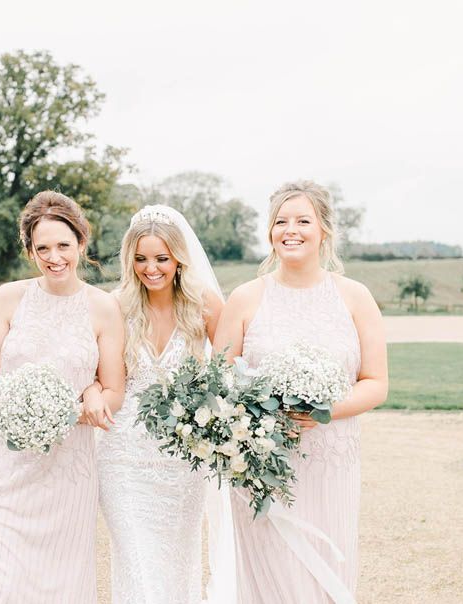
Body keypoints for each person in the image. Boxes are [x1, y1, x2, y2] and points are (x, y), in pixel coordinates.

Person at [0, 191, 125, 603]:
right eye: (42, 248)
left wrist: (87, 401)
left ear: (81, 243)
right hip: (1, 464)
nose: (54, 257)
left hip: (65, 473)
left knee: (52, 582)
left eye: (63, 245)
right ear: (29, 251)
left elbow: (114, 391)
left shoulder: (103, 307)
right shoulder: (9, 297)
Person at [214, 180, 388, 604]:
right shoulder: (245, 298)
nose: (290, 230)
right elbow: (216, 382)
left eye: (303, 220)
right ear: (270, 232)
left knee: (325, 574)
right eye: (280, 222)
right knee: (271, 578)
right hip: (261, 467)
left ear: (324, 230)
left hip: (331, 461)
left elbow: (377, 383)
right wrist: (259, 417)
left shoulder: (354, 297)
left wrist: (326, 410)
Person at [96, 205, 236, 604]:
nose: (150, 268)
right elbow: (93, 371)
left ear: (178, 258)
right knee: (136, 562)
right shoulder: (115, 305)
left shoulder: (204, 304)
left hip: (181, 459)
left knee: (178, 563)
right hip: (123, 456)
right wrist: (91, 392)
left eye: (161, 258)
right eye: (140, 258)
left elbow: (229, 370)